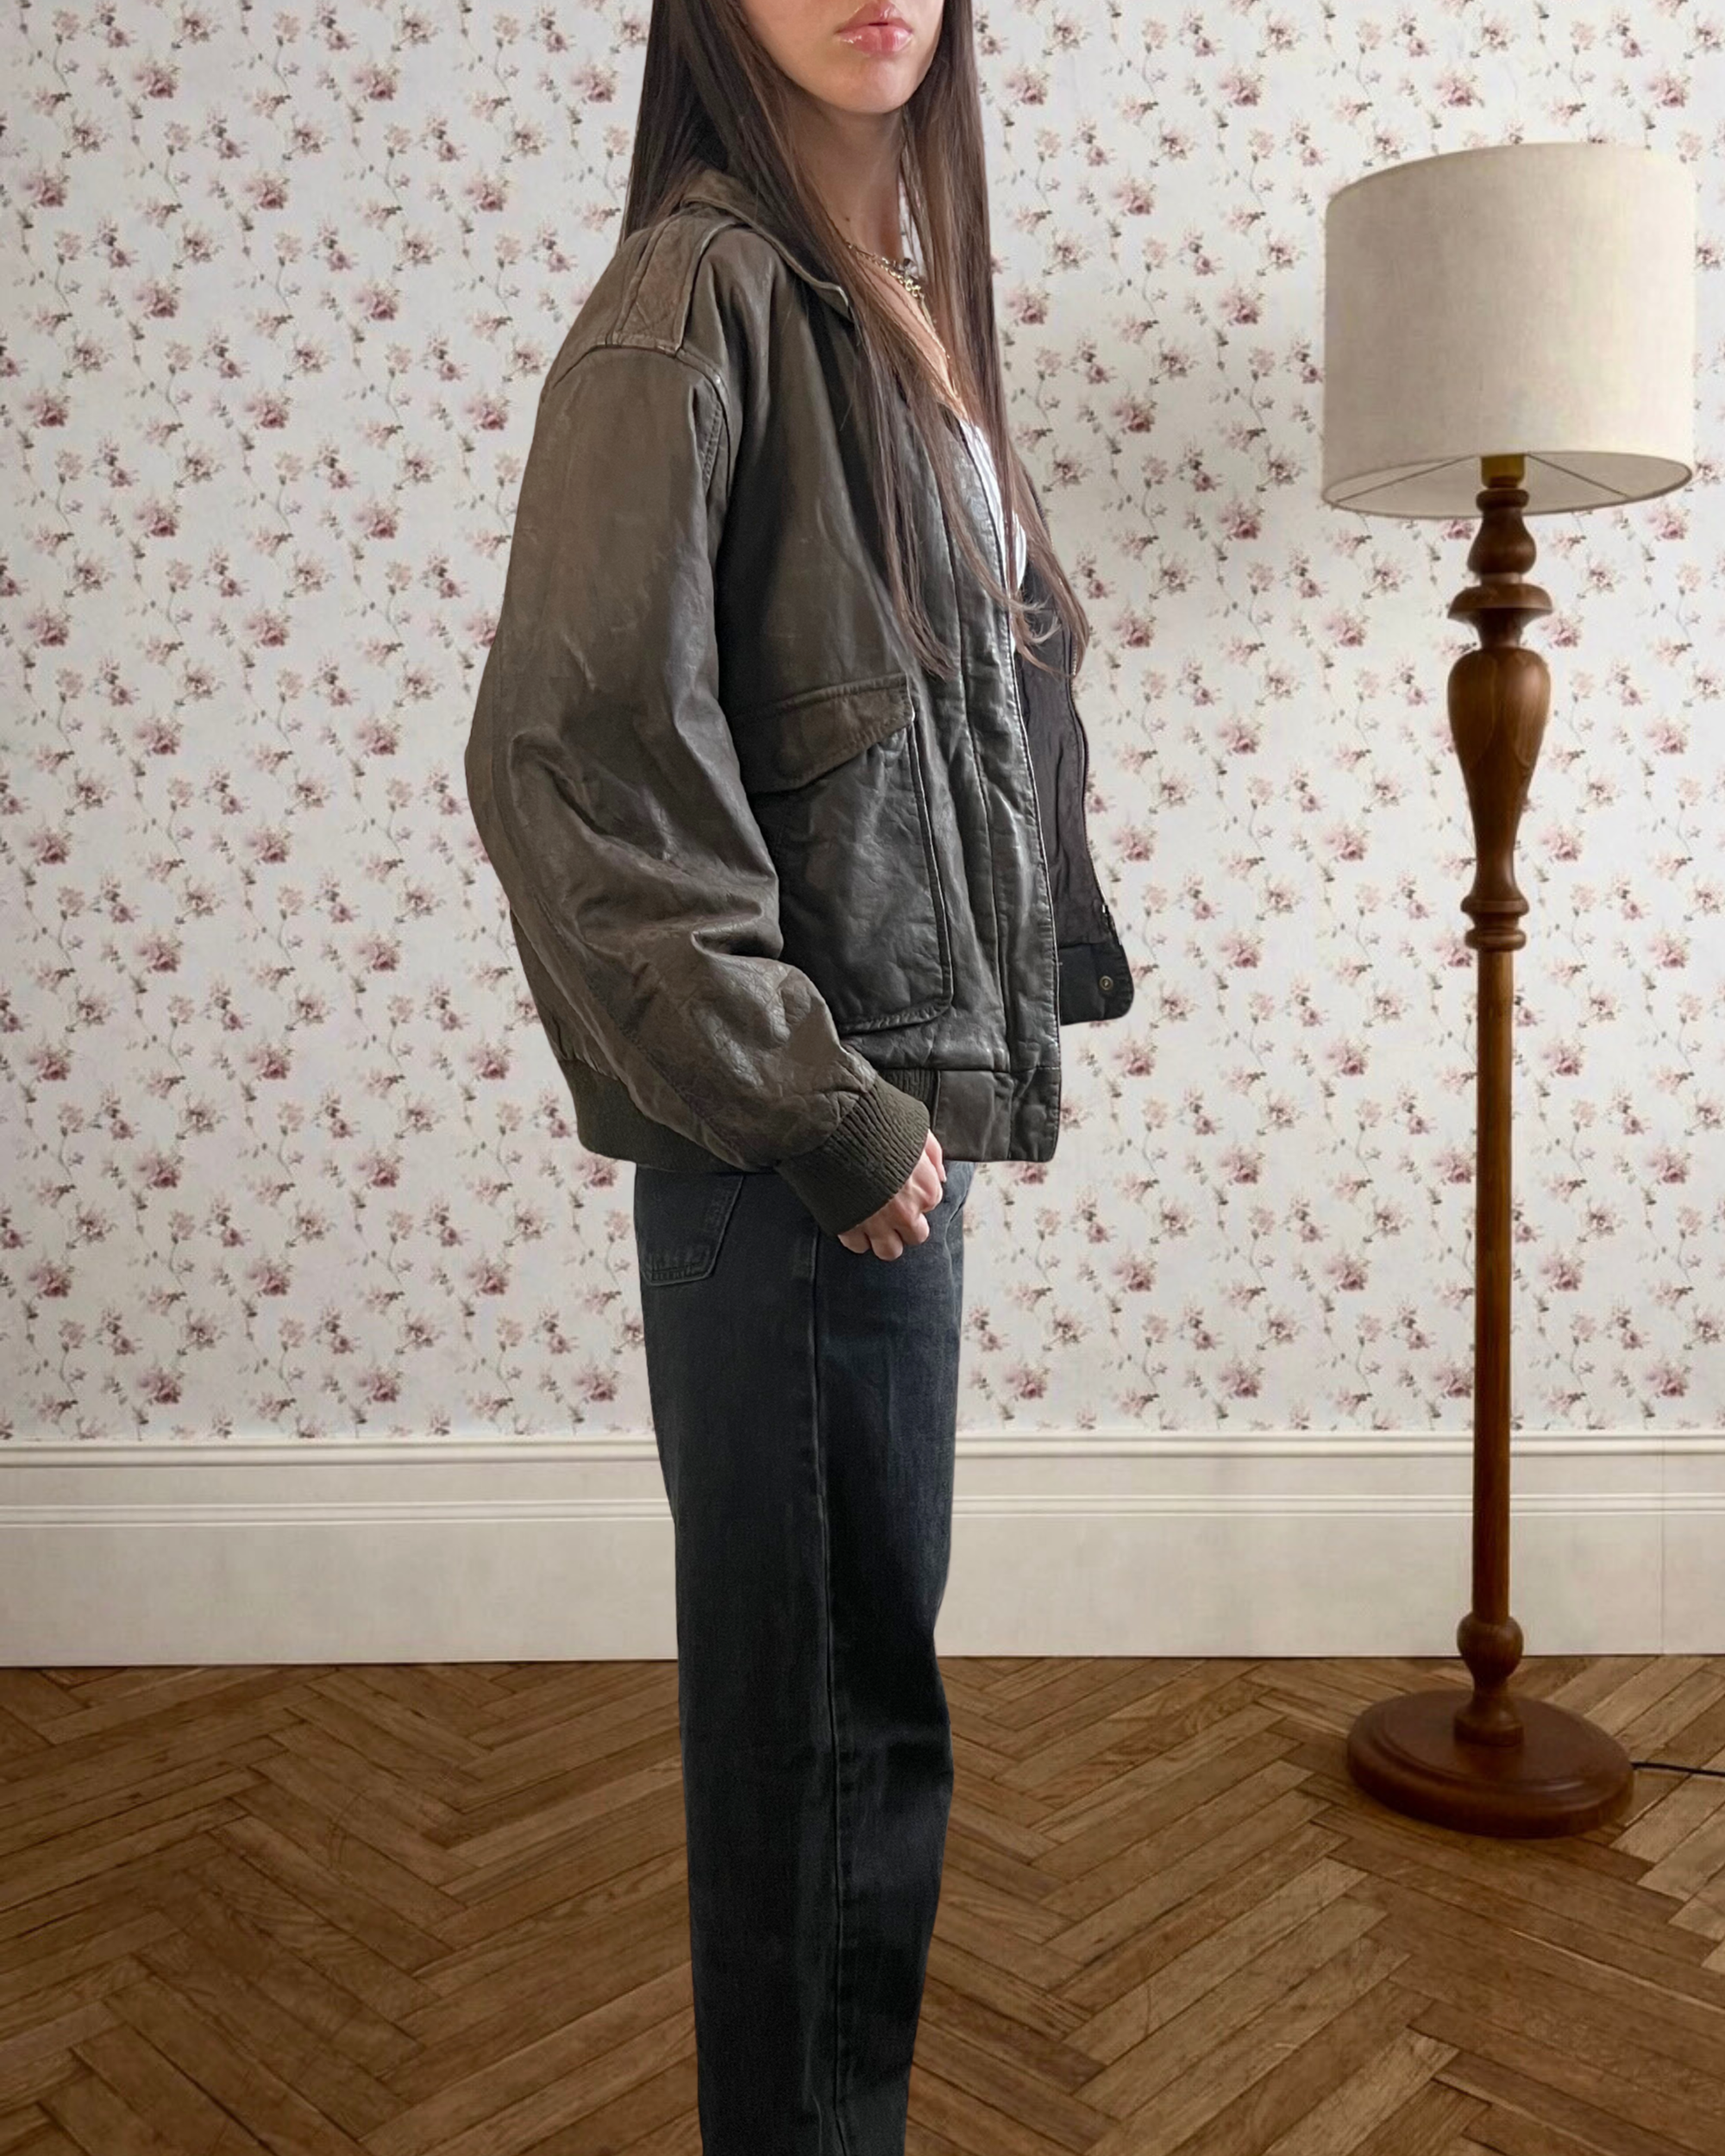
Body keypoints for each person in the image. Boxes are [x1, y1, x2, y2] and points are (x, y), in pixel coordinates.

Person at [464, 3, 1135, 2146]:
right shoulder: (695, 297)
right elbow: (578, 766)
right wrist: (826, 1107)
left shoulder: (893, 304)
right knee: (826, 1744)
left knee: (850, 1713)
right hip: (802, 1151)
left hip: (868, 1128)